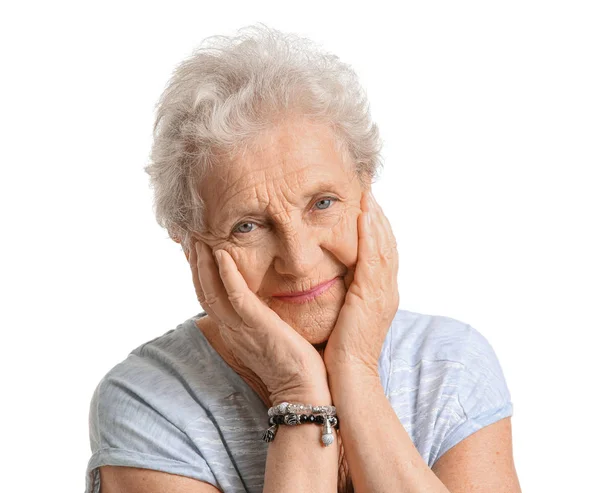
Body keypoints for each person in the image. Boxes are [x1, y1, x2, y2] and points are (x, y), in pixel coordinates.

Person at [84, 24, 521, 493]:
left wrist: (355, 370)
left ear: (365, 191)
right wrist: (297, 391)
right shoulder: (148, 401)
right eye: (247, 226)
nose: (298, 259)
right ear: (192, 244)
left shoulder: (449, 364)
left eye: (322, 203)